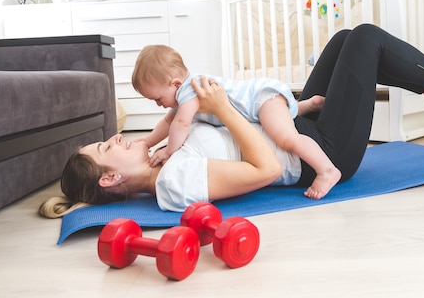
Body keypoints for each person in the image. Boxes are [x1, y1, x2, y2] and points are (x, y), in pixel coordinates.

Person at [38, 24, 424, 218]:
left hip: (297, 131)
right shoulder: (172, 184)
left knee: (345, 40)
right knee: (366, 39)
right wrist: (223, 109)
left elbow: (178, 122)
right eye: (104, 147)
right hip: (319, 155)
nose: (114, 137)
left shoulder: (162, 156)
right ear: (111, 177)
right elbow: (267, 170)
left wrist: (216, 110)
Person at [130, 44, 341, 199]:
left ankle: (326, 170)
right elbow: (168, 122)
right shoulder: (180, 96)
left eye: (157, 99)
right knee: (279, 119)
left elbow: (180, 124)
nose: (158, 105)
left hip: (260, 100)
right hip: (260, 106)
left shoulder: (188, 91)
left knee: (287, 138)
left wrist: (168, 152)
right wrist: (148, 141)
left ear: (174, 83)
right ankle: (307, 105)